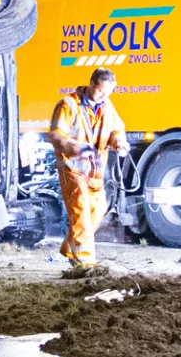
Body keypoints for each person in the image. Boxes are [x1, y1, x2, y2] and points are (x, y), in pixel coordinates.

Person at [48, 67, 125, 269]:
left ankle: (69, 249)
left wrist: (118, 142)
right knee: (81, 211)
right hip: (72, 168)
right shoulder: (68, 104)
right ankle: (85, 262)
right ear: (91, 84)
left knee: (98, 211)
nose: (104, 96)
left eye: (108, 92)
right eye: (101, 91)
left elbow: (117, 129)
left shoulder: (106, 106)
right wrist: (74, 148)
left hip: (95, 169)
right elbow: (56, 135)